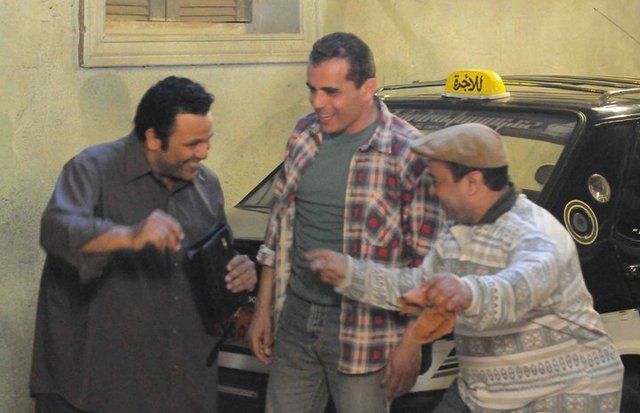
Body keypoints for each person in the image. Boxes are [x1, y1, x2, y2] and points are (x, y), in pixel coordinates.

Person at [308, 123, 624, 412]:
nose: (433, 192)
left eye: (438, 182)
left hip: (567, 392)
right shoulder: (459, 230)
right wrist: (351, 273)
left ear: (472, 182)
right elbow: (418, 287)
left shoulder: (536, 233)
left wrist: (467, 292)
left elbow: (519, 287)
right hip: (485, 392)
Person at [30, 76, 257, 413]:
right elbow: (56, 229)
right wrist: (129, 235)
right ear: (153, 138)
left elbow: (215, 258)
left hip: (179, 387)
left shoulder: (206, 185)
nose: (204, 152)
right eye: (192, 143)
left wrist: (239, 272)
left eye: (207, 141)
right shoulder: (91, 169)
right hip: (92, 388)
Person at [247, 32, 442, 413]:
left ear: (367, 88)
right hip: (296, 314)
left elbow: (428, 262)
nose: (318, 102)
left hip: (367, 328)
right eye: (312, 89)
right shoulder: (304, 134)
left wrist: (413, 342)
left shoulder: (408, 153)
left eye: (331, 92)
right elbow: (279, 227)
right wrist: (262, 308)